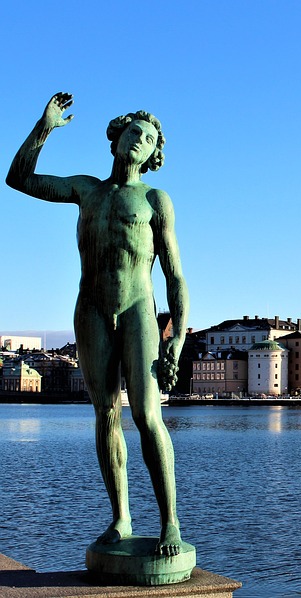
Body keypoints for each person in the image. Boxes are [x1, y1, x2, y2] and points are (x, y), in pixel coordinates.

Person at [7, 92, 190, 557]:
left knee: (148, 415)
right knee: (105, 413)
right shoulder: (86, 189)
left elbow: (175, 276)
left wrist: (179, 339)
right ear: (116, 139)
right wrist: (44, 126)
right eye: (133, 131)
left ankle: (170, 523)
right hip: (90, 309)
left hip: (137, 312)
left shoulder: (155, 200)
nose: (138, 140)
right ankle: (121, 518)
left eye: (148, 139)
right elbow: (18, 178)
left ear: (153, 155)